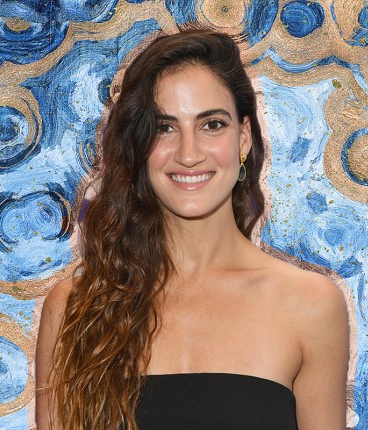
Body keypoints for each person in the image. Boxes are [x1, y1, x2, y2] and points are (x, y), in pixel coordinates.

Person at [35, 28, 350, 430]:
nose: (188, 154)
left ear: (244, 138)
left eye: (212, 124)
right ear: (140, 146)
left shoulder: (310, 304)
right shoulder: (75, 308)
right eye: (164, 128)